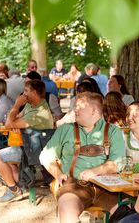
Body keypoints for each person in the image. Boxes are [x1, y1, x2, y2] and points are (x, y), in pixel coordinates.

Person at [40, 92, 125, 222]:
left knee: (127, 213)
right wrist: (57, 173)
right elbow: (46, 156)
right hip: (74, 185)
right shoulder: (65, 129)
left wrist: (94, 171)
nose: (75, 110)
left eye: (80, 107)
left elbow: (117, 163)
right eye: (75, 107)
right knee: (67, 213)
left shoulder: (113, 131)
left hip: (107, 186)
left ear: (94, 111)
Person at [0, 80, 53, 202]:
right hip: (26, 145)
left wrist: (16, 105)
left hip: (34, 151)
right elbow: (10, 122)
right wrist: (17, 125)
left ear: (34, 92)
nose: (23, 94)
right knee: (9, 160)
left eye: (26, 91)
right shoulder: (31, 105)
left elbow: (9, 124)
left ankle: (13, 190)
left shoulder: (40, 113)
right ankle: (21, 187)